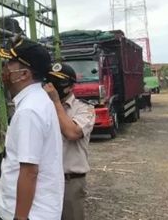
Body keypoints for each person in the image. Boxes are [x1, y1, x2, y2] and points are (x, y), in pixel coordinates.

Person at [0, 38, 64, 220]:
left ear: (24, 74)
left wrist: (20, 218)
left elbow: (29, 171)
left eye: (10, 63)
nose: (4, 69)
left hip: (30, 214)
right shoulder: (39, 100)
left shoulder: (29, 111)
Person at [44, 63, 95, 220]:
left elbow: (72, 132)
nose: (53, 85)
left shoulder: (84, 109)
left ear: (71, 86)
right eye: (50, 80)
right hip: (46, 181)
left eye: (58, 82)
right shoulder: (43, 107)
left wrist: (56, 103)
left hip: (70, 183)